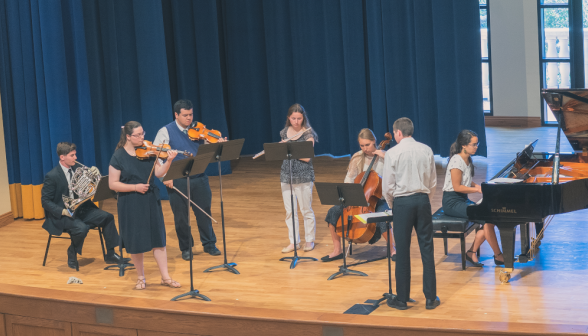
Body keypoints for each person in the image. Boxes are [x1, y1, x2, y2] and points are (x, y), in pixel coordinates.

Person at [109, 121, 180, 290]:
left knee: (158, 239)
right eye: (138, 135)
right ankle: (140, 277)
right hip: (130, 202)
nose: (142, 138)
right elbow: (113, 184)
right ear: (128, 137)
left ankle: (165, 277)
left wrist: (169, 161)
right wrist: (135, 187)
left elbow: (158, 173)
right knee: (135, 240)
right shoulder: (118, 156)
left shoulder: (149, 151)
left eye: (143, 134)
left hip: (149, 199)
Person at [153, 99, 226, 260]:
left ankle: (209, 244)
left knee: (204, 212)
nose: (189, 118)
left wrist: (217, 144)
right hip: (177, 179)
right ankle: (186, 248)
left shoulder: (198, 130)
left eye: (191, 114)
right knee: (181, 216)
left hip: (199, 176)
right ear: (176, 115)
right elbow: (156, 156)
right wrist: (164, 177)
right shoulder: (165, 132)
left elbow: (209, 149)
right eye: (185, 115)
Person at [383, 117, 440, 310]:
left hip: (402, 203)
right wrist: (425, 200)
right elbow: (433, 182)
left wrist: (393, 205)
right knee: (427, 249)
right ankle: (431, 298)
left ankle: (402, 299)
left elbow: (388, 187)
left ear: (398, 132)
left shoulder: (392, 153)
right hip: (423, 200)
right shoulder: (427, 150)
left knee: (403, 251)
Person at [41, 142, 125, 269]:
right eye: (72, 155)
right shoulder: (52, 176)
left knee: (107, 217)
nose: (76, 158)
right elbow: (45, 201)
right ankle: (72, 252)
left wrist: (95, 176)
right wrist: (63, 211)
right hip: (63, 215)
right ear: (62, 157)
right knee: (82, 228)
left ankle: (111, 254)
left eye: (75, 154)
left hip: (81, 210)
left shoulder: (78, 170)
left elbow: (89, 189)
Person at [322, 128, 396, 262]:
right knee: (333, 212)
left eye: (367, 145)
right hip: (358, 198)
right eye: (362, 145)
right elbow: (349, 179)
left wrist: (387, 159)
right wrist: (350, 194)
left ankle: (392, 249)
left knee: (383, 215)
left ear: (374, 142)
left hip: (379, 198)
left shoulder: (386, 156)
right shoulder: (357, 157)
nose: (365, 148)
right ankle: (337, 250)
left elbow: (394, 177)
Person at [442, 130, 504, 266]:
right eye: (473, 144)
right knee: (487, 218)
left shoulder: (468, 159)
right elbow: (457, 186)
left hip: (461, 199)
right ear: (464, 145)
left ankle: (472, 252)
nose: (476, 147)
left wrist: (479, 186)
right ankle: (498, 255)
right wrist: (476, 189)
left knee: (489, 219)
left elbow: (466, 180)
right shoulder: (456, 161)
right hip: (452, 202)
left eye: (477, 144)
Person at [280, 103, 318, 253]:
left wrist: (288, 148)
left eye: (299, 118)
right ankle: (294, 241)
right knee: (290, 211)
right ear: (289, 118)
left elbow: (307, 158)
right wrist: (280, 148)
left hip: (303, 175)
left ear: (303, 118)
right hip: (286, 174)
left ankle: (309, 240)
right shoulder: (284, 133)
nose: (296, 122)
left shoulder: (308, 135)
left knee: (305, 209)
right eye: (293, 118)